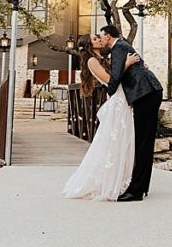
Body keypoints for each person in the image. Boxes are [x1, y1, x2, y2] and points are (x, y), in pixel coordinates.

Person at [61, 33, 141, 201]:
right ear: (89, 44)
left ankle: (122, 180)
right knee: (113, 143)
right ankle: (109, 183)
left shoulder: (103, 58)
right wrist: (126, 63)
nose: (99, 39)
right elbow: (111, 80)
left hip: (124, 100)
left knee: (123, 142)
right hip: (117, 103)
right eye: (95, 38)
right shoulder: (92, 61)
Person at [99, 24, 163, 202]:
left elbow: (116, 75)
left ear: (109, 36)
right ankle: (141, 187)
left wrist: (110, 93)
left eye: (102, 36)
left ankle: (136, 191)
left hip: (146, 94)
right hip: (148, 93)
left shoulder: (118, 47)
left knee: (143, 142)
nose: (101, 39)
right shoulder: (123, 46)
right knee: (144, 141)